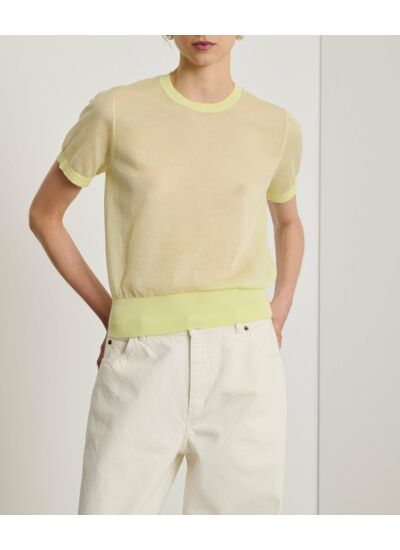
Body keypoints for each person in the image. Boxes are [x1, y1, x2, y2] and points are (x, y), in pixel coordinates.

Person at [28, 35, 304, 514]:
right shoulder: (115, 111)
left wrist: (279, 309)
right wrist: (112, 313)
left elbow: (288, 221)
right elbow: (45, 215)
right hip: (141, 359)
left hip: (245, 363)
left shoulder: (276, 126)